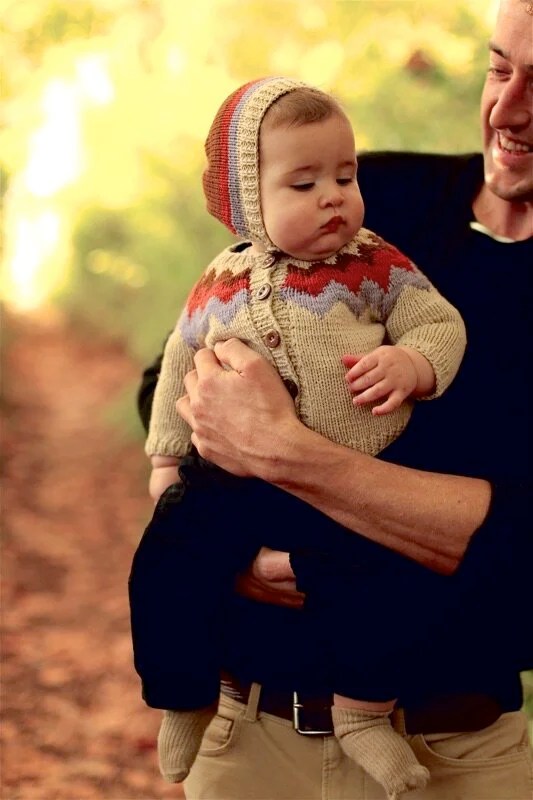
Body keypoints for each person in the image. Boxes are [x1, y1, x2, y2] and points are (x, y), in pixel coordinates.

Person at [138, 2, 533, 798]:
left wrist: (286, 453)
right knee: (164, 563)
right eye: (498, 68)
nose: (508, 109)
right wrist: (226, 538)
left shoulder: (375, 253)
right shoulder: (367, 188)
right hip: (250, 731)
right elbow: (175, 373)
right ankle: (175, 696)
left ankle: (360, 713)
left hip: (458, 749)